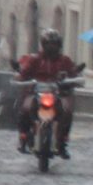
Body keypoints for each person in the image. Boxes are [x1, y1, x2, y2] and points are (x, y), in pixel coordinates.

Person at [15, 29, 82, 158]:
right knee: (25, 109)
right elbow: (24, 73)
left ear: (59, 45)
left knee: (67, 112)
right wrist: (21, 78)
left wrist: (75, 79)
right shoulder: (35, 60)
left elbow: (73, 73)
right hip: (35, 93)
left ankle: (62, 142)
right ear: (43, 45)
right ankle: (23, 138)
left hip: (57, 94)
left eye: (55, 44)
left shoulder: (65, 61)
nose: (52, 47)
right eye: (48, 44)